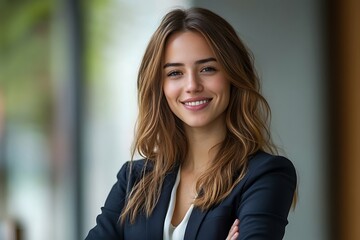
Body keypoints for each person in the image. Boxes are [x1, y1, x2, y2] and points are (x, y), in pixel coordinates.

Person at [85, 7, 297, 240]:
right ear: (160, 87)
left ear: (232, 75)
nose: (192, 85)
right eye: (175, 73)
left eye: (207, 69)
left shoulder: (265, 175)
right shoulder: (133, 180)